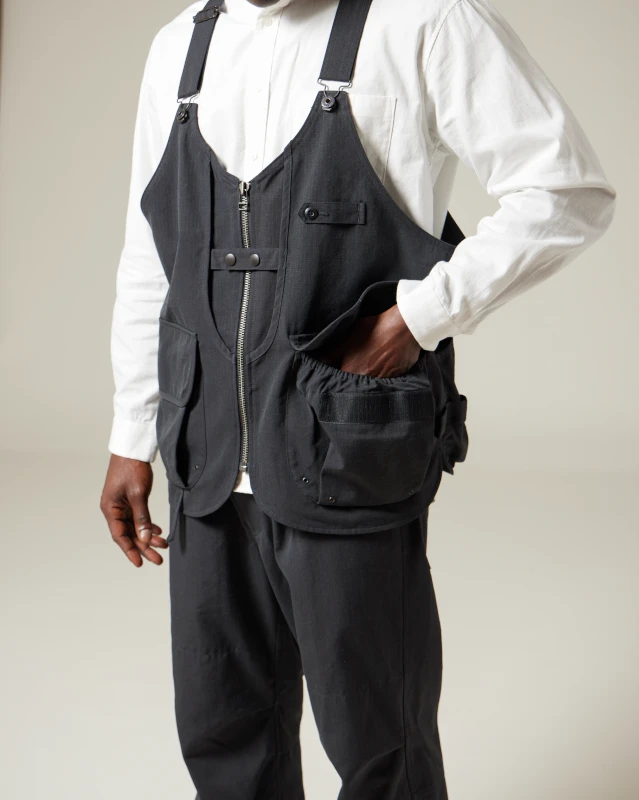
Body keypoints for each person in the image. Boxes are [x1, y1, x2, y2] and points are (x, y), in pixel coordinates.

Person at [100, 0, 616, 797]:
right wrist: (132, 432)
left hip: (346, 450)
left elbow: (565, 190)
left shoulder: (424, 22)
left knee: (381, 748)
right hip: (203, 456)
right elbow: (150, 253)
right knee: (222, 736)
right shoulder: (178, 48)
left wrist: (416, 318)